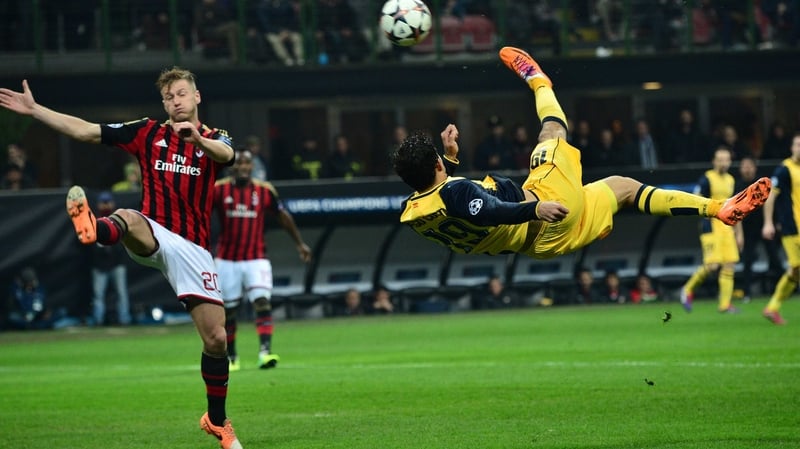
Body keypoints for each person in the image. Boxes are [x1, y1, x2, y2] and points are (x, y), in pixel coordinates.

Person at [0, 68, 243, 448]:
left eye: (181, 94)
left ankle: (216, 421)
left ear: (197, 97)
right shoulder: (147, 131)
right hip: (153, 232)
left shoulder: (214, 137)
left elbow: (227, 155)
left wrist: (196, 138)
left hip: (194, 249)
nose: (176, 101)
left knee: (216, 339)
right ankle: (96, 230)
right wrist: (37, 111)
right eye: (169, 97)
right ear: (164, 103)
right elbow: (86, 130)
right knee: (129, 216)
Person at [393, 47, 771, 262]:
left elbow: (455, 204)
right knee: (553, 130)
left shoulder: (415, 212)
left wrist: (452, 159)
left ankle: (719, 209)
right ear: (437, 164)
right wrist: (535, 207)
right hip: (545, 204)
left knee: (623, 188)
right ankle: (537, 78)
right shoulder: (455, 193)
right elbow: (487, 210)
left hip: (544, 244)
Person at [213, 149, 311, 371]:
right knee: (228, 310)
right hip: (227, 259)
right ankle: (232, 356)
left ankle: (265, 353)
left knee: (262, 302)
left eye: (247, 163)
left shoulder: (264, 191)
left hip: (256, 257)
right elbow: (201, 214)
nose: (243, 167)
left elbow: (283, 215)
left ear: (252, 167)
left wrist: (299, 243)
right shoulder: (219, 190)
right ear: (232, 166)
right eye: (239, 163)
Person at [679, 147, 743, 314]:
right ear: (714, 161)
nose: (723, 163)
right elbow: (697, 199)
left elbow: (736, 207)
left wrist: (739, 232)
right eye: (720, 159)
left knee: (730, 264)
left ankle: (725, 305)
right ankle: (686, 290)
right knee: (712, 265)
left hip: (728, 227)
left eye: (726, 159)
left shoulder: (731, 180)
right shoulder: (706, 179)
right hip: (711, 226)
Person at [761, 132, 800, 325]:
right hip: (792, 228)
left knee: (795, 271)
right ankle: (772, 306)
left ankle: (772, 307)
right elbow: (770, 196)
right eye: (797, 145)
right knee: (795, 268)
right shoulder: (784, 170)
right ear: (792, 148)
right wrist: (768, 222)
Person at [736, 156, 783, 301]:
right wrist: (739, 234)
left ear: (755, 168)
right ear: (740, 169)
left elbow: (774, 203)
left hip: (765, 226)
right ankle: (747, 293)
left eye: (750, 166)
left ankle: (784, 290)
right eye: (744, 166)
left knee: (775, 259)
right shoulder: (738, 186)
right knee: (747, 261)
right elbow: (735, 210)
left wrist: (775, 222)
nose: (747, 169)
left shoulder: (762, 184)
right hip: (748, 228)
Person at [89, 191, 132, 326]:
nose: (106, 205)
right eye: (104, 202)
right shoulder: (93, 221)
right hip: (99, 265)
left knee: (121, 293)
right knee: (98, 295)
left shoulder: (118, 219)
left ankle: (124, 319)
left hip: (117, 263)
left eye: (108, 202)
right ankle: (98, 320)